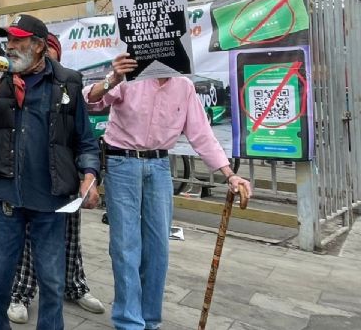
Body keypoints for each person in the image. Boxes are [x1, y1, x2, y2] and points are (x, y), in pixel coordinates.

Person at [84, 52, 254, 330]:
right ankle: (129, 321)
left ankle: (150, 320)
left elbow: (202, 134)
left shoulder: (184, 87)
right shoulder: (129, 78)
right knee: (126, 246)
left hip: (160, 165)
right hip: (121, 162)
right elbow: (90, 99)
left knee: (158, 246)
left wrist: (230, 174)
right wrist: (113, 77)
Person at [0, 9, 106, 322]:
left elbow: (85, 140)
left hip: (51, 201)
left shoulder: (67, 83)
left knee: (52, 282)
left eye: (18, 40)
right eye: (8, 41)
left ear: (39, 45)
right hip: (7, 199)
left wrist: (91, 176)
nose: (10, 47)